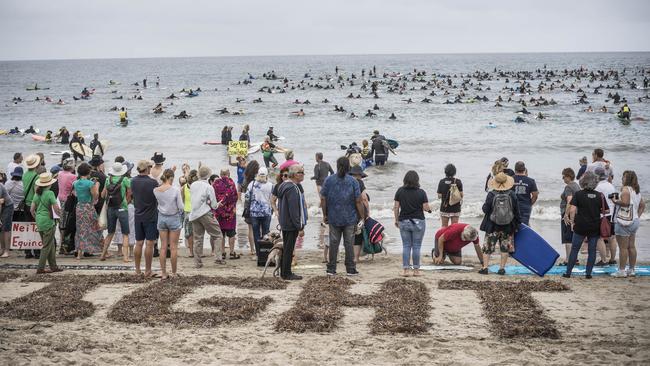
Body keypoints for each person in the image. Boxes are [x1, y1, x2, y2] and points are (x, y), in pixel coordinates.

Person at [320, 157, 364, 276]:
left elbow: (323, 198)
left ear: (337, 165)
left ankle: (331, 269)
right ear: (348, 166)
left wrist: (325, 214)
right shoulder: (353, 181)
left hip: (333, 216)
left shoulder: (329, 180)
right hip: (350, 217)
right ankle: (350, 268)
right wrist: (362, 217)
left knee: (334, 243)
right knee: (349, 243)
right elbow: (358, 201)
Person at [563, 172, 605, 279]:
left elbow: (572, 209)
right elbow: (606, 210)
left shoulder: (579, 194)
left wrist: (572, 222)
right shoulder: (599, 195)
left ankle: (568, 273)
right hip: (594, 226)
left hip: (580, 225)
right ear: (595, 182)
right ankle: (588, 274)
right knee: (592, 250)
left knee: (575, 249)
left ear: (583, 182)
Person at [479, 172, 521, 275]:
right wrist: (518, 224)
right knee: (504, 248)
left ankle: (485, 268)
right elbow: (516, 211)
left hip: (492, 225)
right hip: (507, 226)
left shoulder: (491, 194)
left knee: (488, 247)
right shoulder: (512, 194)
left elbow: (485, 209)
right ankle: (501, 269)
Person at [393, 170, 431, 277]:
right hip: (418, 222)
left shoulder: (400, 191)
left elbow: (396, 207)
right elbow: (425, 207)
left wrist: (396, 220)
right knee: (416, 246)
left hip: (404, 221)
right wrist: (429, 210)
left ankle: (405, 270)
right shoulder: (421, 192)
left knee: (406, 246)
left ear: (405, 179)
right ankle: (416, 271)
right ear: (417, 180)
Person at [611, 171, 646, 277]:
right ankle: (631, 269)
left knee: (623, 247)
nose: (622, 178)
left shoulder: (625, 189)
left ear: (627, 179)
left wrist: (615, 200)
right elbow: (642, 205)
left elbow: (625, 203)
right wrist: (637, 216)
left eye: (624, 177)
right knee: (631, 246)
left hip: (624, 221)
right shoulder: (636, 190)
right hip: (634, 221)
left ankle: (621, 271)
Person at [276, 164, 307, 280]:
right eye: (301, 172)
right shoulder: (292, 188)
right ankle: (286, 273)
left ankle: (284, 271)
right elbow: (294, 209)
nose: (303, 175)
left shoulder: (284, 185)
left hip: (285, 221)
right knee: (289, 249)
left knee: (287, 248)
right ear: (295, 175)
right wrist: (299, 226)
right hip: (290, 223)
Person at [189, 166, 223, 268]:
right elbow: (213, 205)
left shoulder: (193, 185)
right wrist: (218, 204)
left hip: (194, 214)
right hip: (205, 213)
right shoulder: (209, 187)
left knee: (198, 238)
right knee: (217, 235)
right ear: (208, 176)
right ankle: (218, 258)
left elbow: (196, 198)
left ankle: (198, 262)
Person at [131, 160, 159, 277]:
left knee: (138, 243)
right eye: (150, 167)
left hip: (138, 214)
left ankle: (137, 270)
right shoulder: (153, 182)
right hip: (150, 215)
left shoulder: (133, 181)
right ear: (147, 169)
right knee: (149, 243)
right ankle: (148, 270)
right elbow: (157, 198)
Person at [154, 169, 183, 279]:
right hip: (173, 217)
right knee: (174, 247)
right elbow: (181, 207)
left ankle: (164, 273)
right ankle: (174, 273)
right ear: (171, 178)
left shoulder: (156, 190)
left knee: (163, 247)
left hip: (161, 217)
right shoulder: (175, 190)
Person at [30, 173, 62, 274]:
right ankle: (40, 268)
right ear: (49, 184)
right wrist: (60, 217)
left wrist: (37, 218)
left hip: (39, 221)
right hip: (48, 221)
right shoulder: (50, 193)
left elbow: (32, 210)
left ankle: (53, 267)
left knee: (50, 244)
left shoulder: (37, 193)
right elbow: (56, 208)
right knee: (46, 246)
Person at [101, 162, 132, 263]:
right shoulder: (125, 180)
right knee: (125, 234)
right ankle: (126, 257)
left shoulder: (107, 179)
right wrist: (126, 203)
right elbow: (130, 193)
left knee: (110, 232)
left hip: (111, 208)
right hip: (122, 208)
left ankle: (103, 254)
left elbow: (103, 195)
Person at [73, 163, 104, 260]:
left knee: (81, 229)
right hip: (88, 207)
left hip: (79, 207)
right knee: (95, 227)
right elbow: (95, 196)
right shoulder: (90, 183)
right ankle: (103, 250)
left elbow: (75, 194)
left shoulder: (75, 183)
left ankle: (79, 253)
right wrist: (97, 186)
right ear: (88, 172)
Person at [213, 169, 239, 260]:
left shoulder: (216, 183)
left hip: (219, 211)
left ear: (220, 174)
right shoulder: (231, 183)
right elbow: (235, 196)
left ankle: (223, 252)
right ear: (228, 174)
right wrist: (233, 206)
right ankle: (231, 252)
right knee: (231, 233)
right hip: (230, 212)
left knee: (221, 233)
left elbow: (213, 196)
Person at [247, 167, 274, 256]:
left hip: (254, 212)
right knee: (266, 233)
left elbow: (247, 197)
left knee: (256, 234)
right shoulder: (271, 185)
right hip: (266, 212)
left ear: (257, 174)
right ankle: (266, 252)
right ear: (267, 175)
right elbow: (273, 199)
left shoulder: (252, 184)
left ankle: (258, 253)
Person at [595, 167, 618, 265]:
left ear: (597, 176)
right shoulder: (611, 185)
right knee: (612, 237)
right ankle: (612, 259)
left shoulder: (597, 187)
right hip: (613, 214)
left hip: (602, 215)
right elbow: (615, 199)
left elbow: (597, 202)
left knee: (599, 237)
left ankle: (604, 260)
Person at [559, 168, 581, 266]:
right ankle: (575, 258)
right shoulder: (576, 185)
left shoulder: (568, 187)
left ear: (568, 176)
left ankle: (568, 259)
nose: (563, 178)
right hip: (576, 214)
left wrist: (565, 215)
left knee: (567, 238)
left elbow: (569, 200)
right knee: (573, 237)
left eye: (563, 176)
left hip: (568, 214)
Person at [22, 154, 41, 259]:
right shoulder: (36, 176)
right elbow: (36, 192)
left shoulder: (24, 175)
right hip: (33, 204)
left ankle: (27, 251)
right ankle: (37, 251)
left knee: (27, 227)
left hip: (25, 204)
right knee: (36, 228)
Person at [349, 165, 369, 263]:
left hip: (346, 211)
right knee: (358, 234)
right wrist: (367, 212)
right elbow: (364, 198)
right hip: (358, 211)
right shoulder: (360, 183)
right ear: (359, 175)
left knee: (348, 234)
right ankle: (356, 258)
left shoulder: (346, 181)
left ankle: (349, 256)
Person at [2, 167, 24, 258]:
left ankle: (9, 246)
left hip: (8, 208)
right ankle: (19, 244)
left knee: (9, 228)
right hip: (20, 209)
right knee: (19, 228)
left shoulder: (7, 183)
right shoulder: (23, 185)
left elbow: (5, 195)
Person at [512, 161, 538, 226]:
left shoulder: (510, 179)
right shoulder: (531, 181)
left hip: (512, 206)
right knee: (524, 226)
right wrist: (529, 203)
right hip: (525, 207)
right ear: (524, 170)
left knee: (512, 227)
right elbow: (535, 195)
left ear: (515, 170)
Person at [243, 160, 260, 255]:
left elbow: (244, 194)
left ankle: (252, 249)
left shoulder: (245, 180)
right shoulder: (259, 181)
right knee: (259, 228)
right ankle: (259, 248)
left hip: (248, 206)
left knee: (250, 229)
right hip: (258, 206)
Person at [180, 168, 197, 257]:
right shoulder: (198, 186)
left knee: (189, 233)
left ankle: (191, 252)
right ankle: (198, 251)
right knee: (198, 232)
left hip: (187, 211)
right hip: (197, 211)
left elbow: (182, 199)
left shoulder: (184, 187)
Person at [0, 177, 14, 258]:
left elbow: (0, 204)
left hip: (7, 206)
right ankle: (2, 249)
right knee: (1, 228)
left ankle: (6, 251)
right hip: (2, 205)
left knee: (6, 228)